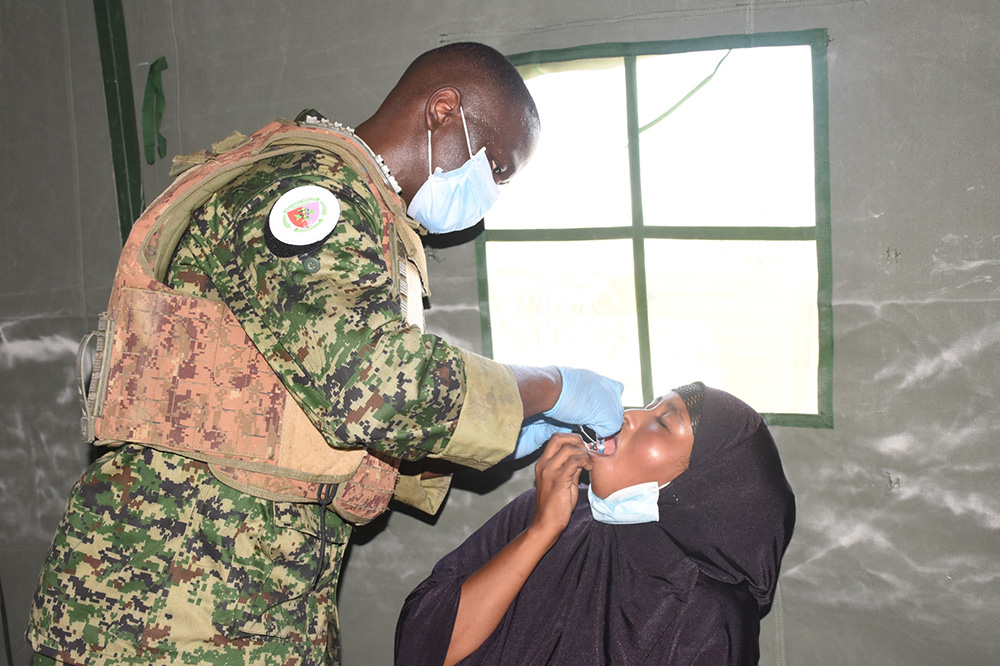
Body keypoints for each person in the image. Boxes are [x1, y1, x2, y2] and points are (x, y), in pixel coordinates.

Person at [27, 43, 624, 666]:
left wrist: (501, 433)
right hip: (160, 604)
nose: (491, 196)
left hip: (259, 602)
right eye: (495, 169)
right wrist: (552, 386)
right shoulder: (308, 195)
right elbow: (377, 387)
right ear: (443, 110)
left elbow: (310, 421)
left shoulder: (373, 222)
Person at [395, 382, 796, 666]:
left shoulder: (704, 613)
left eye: (662, 422)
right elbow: (421, 648)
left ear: (702, 484)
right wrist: (541, 531)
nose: (630, 415)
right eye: (650, 404)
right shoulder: (545, 510)